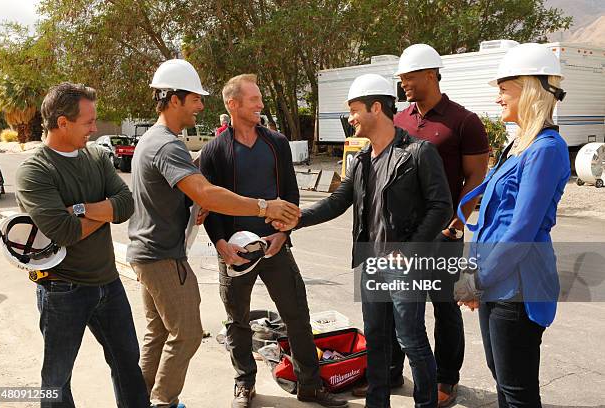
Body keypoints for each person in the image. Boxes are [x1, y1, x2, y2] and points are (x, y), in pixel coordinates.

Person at [128, 60, 300, 408]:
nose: (201, 106)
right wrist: (264, 207)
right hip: (162, 257)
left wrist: (191, 208)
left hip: (148, 254)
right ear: (174, 99)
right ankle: (163, 402)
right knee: (188, 334)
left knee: (158, 333)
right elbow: (207, 192)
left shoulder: (154, 139)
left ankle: (136, 399)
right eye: (195, 98)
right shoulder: (166, 145)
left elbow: (181, 195)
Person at [277, 73, 453, 408]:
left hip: (405, 265)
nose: (350, 118)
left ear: (376, 107)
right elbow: (336, 202)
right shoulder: (361, 160)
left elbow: (441, 206)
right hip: (371, 264)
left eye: (354, 109)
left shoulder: (417, 153)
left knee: (411, 339)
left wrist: (411, 249)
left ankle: (426, 403)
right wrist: (296, 219)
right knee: (375, 339)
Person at [199, 74, 347, 408]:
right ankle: (244, 382)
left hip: (276, 246)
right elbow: (210, 204)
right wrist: (221, 244)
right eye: (254, 99)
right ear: (232, 104)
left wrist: (283, 234)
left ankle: (310, 384)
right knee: (237, 320)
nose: (261, 105)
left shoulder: (275, 143)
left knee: (296, 314)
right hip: (235, 253)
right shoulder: (214, 151)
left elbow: (291, 195)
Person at [15, 82, 149, 407]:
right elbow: (63, 233)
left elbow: (127, 204)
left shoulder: (97, 157)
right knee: (57, 382)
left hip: (109, 283)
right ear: (62, 122)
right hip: (62, 290)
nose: (94, 128)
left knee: (127, 365)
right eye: (88, 122)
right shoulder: (34, 171)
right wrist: (105, 209)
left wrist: (80, 209)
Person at [454, 42, 570, 407]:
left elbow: (520, 231)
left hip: (518, 287)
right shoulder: (520, 144)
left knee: (517, 391)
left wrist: (476, 280)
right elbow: (494, 221)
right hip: (496, 277)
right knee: (502, 378)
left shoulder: (546, 149)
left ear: (531, 90)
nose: (499, 98)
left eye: (505, 89)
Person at [377, 43, 489, 407]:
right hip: (403, 235)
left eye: (408, 77)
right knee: (396, 304)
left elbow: (475, 178)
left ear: (430, 74)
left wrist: (457, 223)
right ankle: (393, 372)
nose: (403, 83)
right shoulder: (400, 120)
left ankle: (446, 380)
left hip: (443, 235)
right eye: (401, 78)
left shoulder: (464, 121)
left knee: (443, 306)